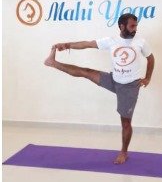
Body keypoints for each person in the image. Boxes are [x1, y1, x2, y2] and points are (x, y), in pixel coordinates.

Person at [44, 13, 155, 164]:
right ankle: (53, 63)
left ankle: (124, 152)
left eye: (136, 26)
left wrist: (148, 77)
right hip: (114, 79)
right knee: (86, 72)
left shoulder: (141, 42)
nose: (135, 29)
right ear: (122, 26)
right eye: (132, 26)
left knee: (125, 122)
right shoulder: (111, 41)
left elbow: (150, 58)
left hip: (129, 87)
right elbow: (87, 44)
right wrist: (67, 44)